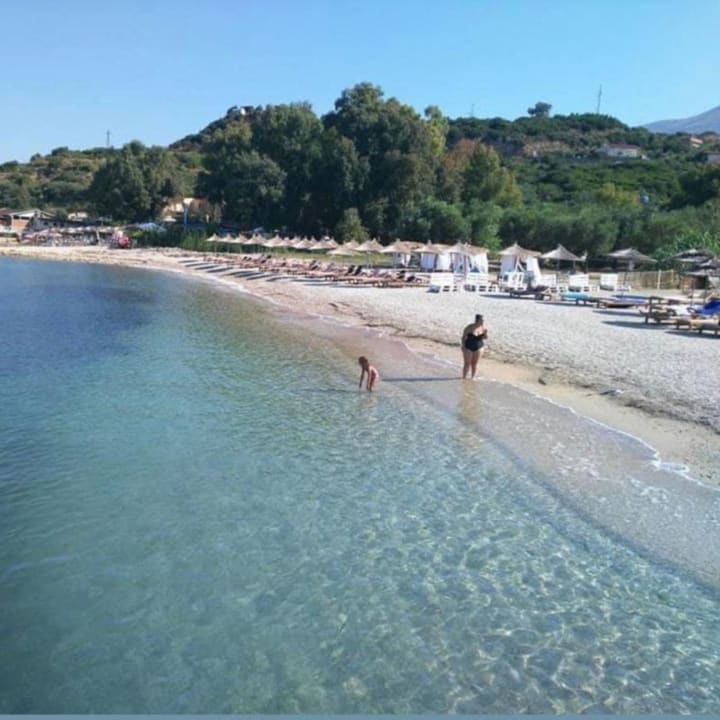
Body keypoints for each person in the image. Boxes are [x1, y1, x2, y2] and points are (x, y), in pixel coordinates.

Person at [461, 314, 487, 380]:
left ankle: (473, 377)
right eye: (481, 320)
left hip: (479, 347)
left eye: (483, 320)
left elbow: (485, 338)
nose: (482, 322)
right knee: (467, 363)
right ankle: (464, 377)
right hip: (468, 346)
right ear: (477, 320)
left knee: (474, 364)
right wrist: (463, 346)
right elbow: (463, 337)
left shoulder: (483, 328)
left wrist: (485, 333)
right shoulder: (469, 327)